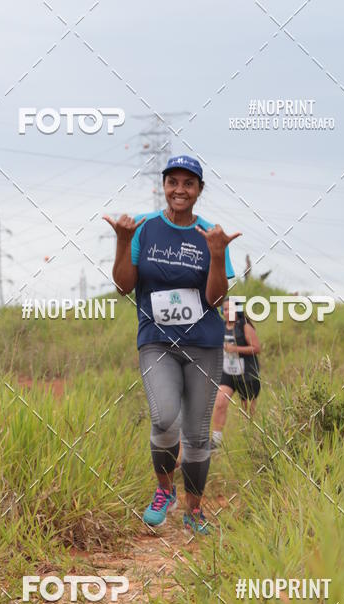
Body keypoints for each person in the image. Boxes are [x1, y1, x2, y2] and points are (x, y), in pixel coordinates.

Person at [103, 155, 241, 534]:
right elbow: (123, 286)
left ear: (198, 190)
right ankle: (165, 491)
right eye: (173, 182)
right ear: (163, 186)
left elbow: (215, 300)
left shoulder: (212, 234)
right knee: (164, 417)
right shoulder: (144, 228)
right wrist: (122, 241)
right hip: (157, 341)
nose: (180, 189)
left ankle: (194, 511)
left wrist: (215, 254)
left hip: (203, 344)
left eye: (188, 183)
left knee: (197, 435)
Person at [211, 299, 262, 449]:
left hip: (246, 372)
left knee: (247, 411)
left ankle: (250, 442)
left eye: (230, 309)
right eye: (225, 310)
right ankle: (215, 441)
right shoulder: (220, 326)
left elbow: (257, 348)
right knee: (220, 403)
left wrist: (235, 349)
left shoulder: (244, 326)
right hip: (227, 372)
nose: (227, 313)